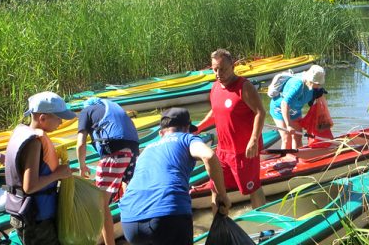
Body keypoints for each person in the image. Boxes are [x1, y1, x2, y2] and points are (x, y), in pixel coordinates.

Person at [119, 107, 230, 245]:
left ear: (161, 133)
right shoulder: (187, 138)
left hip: (129, 220)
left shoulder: (147, 149)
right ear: (187, 128)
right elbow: (209, 156)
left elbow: (128, 181)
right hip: (167, 214)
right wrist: (222, 194)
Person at [196, 49, 266, 208]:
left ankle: (265, 227)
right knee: (215, 187)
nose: (219, 73)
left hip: (244, 152)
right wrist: (199, 127)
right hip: (222, 152)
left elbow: (260, 112)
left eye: (223, 69)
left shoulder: (244, 87)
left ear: (232, 66)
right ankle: (218, 227)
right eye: (215, 69)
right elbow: (215, 111)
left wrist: (254, 139)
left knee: (253, 188)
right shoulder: (215, 87)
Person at [4, 91, 76, 245]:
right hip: (35, 218)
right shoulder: (35, 143)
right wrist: (57, 174)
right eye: (58, 118)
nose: (61, 122)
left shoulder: (22, 133)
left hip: (25, 214)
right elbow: (29, 186)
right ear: (42, 118)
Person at [76, 97, 139, 245]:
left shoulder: (86, 111)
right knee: (129, 193)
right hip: (133, 149)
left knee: (101, 204)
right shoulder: (112, 108)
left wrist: (82, 166)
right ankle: (136, 234)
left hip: (115, 151)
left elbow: (80, 144)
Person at [269, 64, 326, 150]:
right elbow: (284, 104)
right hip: (280, 109)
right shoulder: (298, 85)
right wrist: (288, 125)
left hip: (295, 110)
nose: (319, 86)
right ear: (311, 80)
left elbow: (320, 104)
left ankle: (299, 158)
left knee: (297, 137)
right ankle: (286, 160)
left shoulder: (316, 88)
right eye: (317, 83)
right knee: (286, 138)